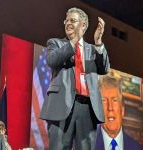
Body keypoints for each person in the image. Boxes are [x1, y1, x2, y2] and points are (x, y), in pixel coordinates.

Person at [39, 7, 110, 150]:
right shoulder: (56, 43)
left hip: (87, 109)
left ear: (83, 25)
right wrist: (74, 42)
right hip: (61, 106)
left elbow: (104, 68)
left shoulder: (92, 49)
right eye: (66, 20)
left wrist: (98, 43)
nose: (68, 23)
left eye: (73, 20)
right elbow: (52, 60)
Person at [95, 75, 141, 150]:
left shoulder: (137, 148)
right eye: (104, 101)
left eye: (114, 100)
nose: (110, 107)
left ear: (122, 110)